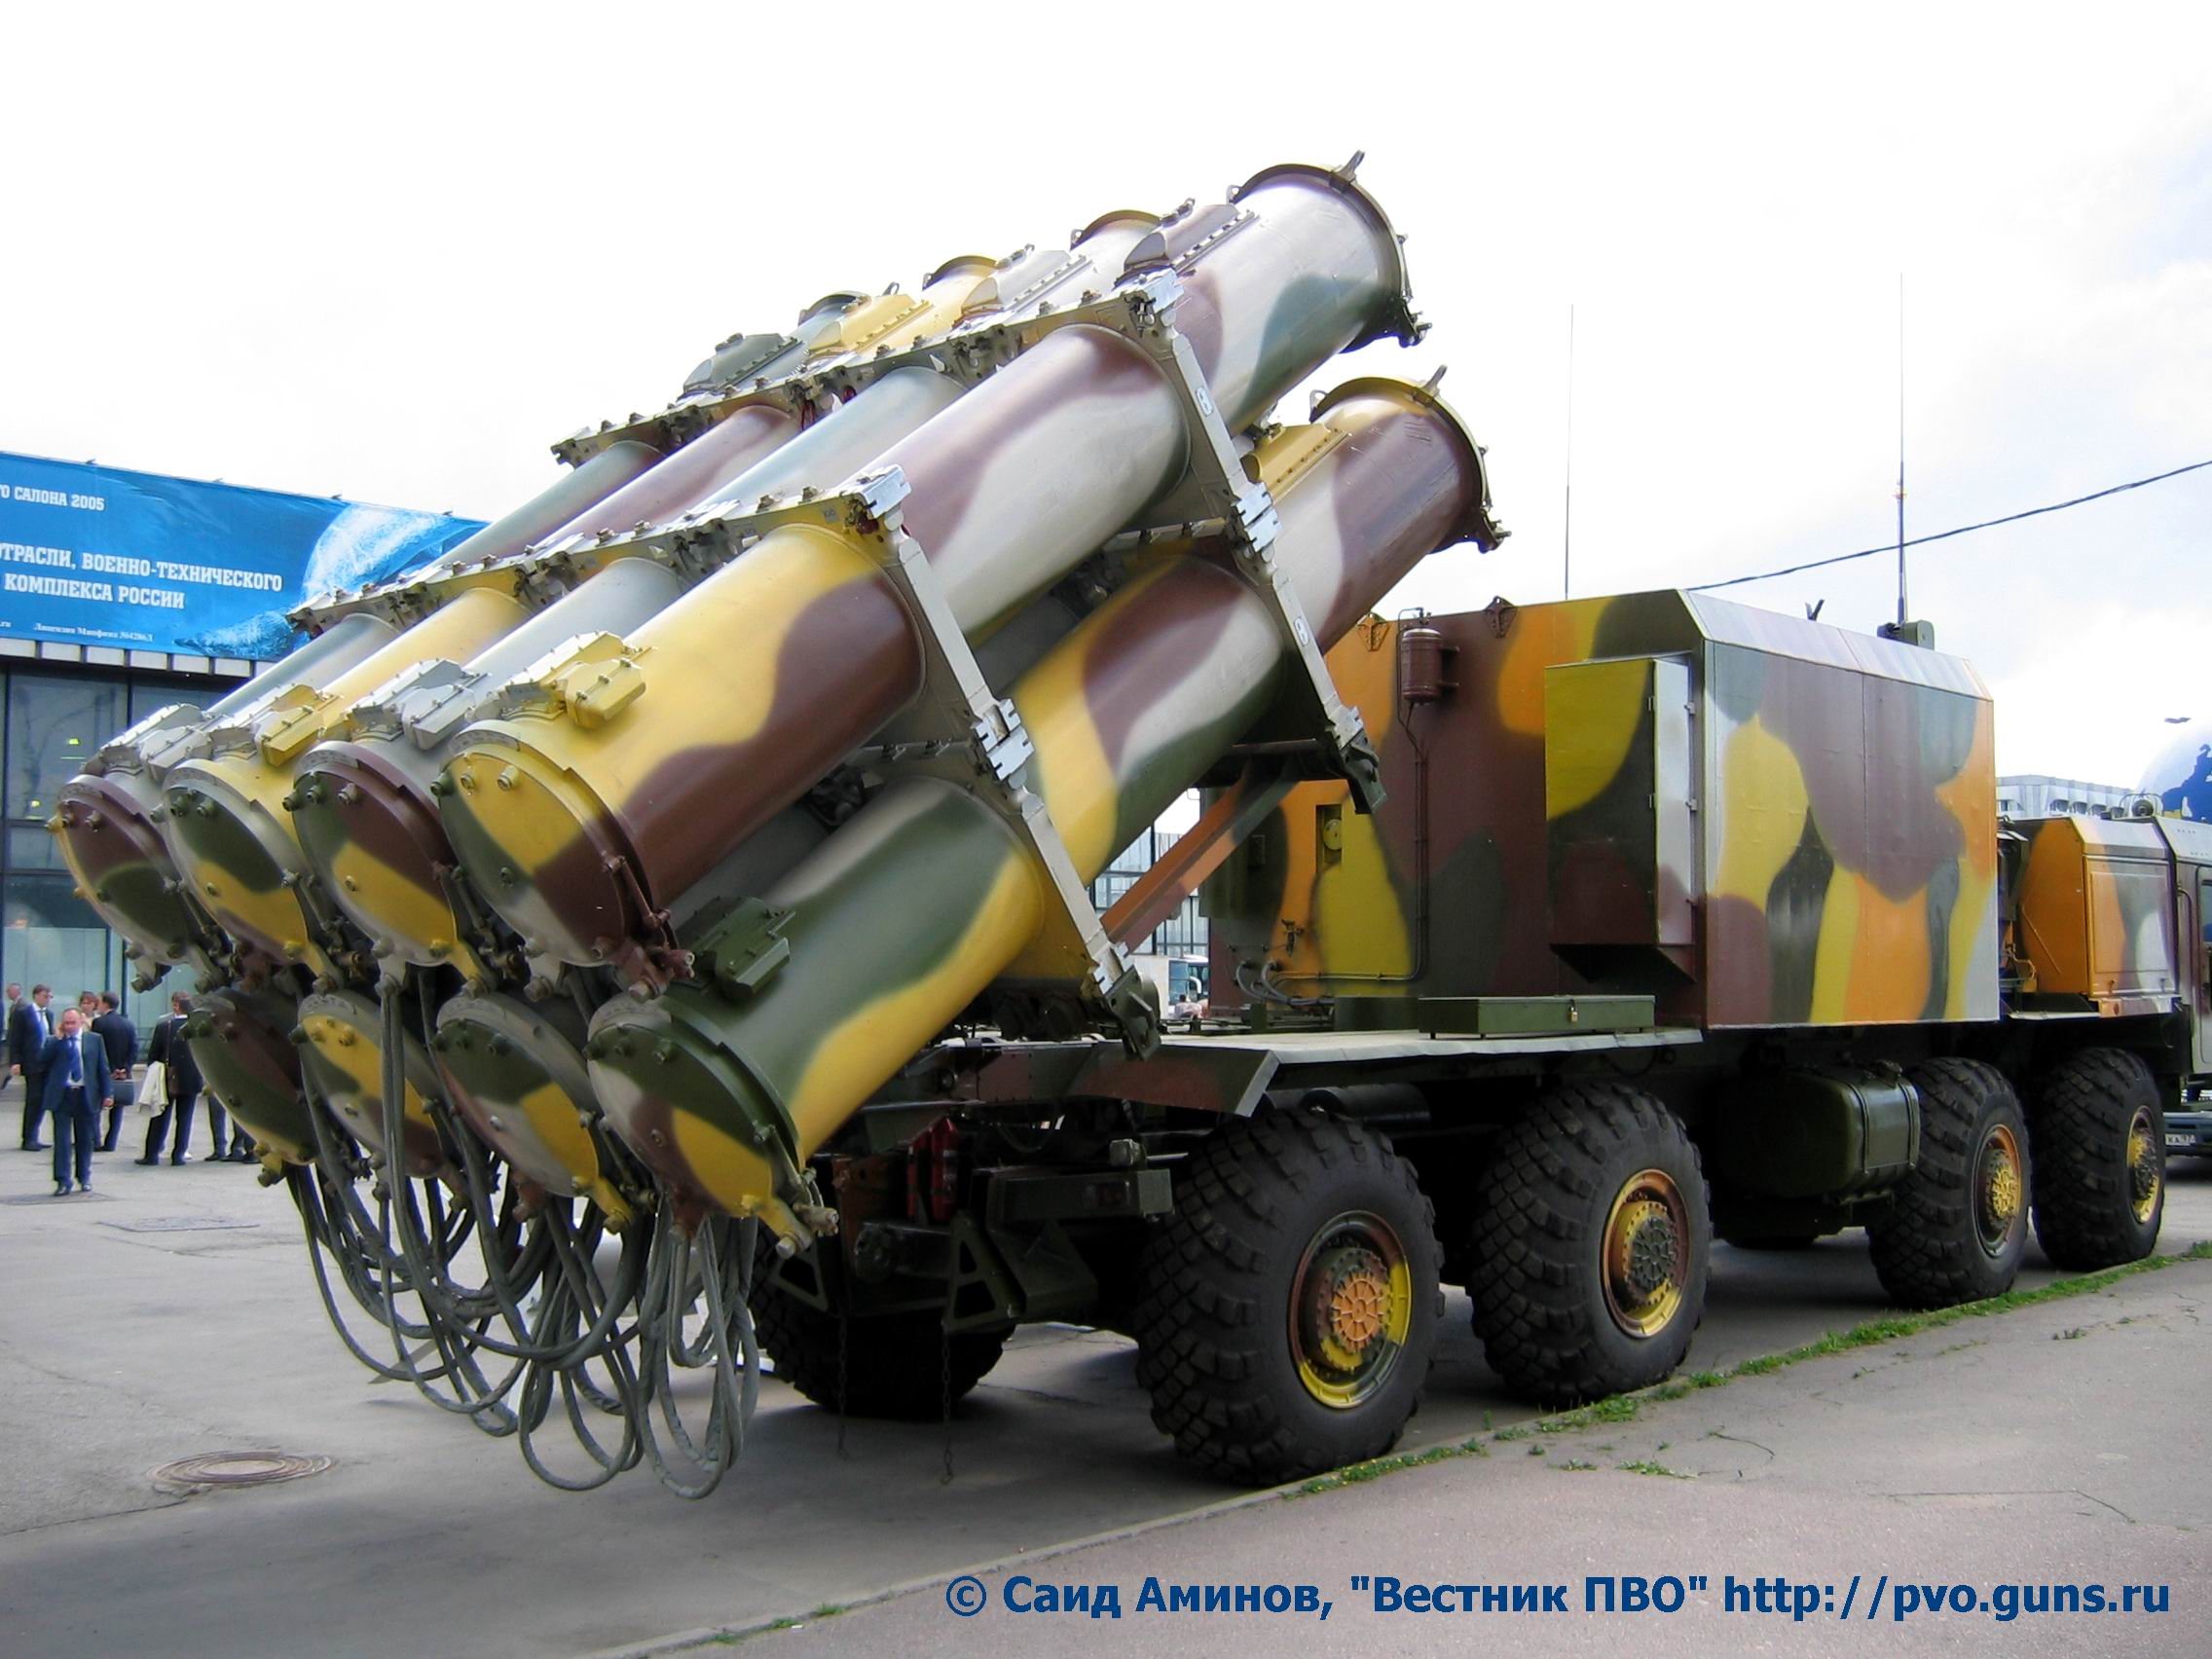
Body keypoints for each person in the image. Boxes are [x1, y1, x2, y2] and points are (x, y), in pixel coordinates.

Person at [40, 1007, 112, 1196]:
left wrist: (107, 1094)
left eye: (73, 1023)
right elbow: (41, 1061)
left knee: (85, 1140)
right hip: (62, 1095)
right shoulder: (56, 1041)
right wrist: (57, 1039)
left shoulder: (94, 1040)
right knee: (62, 1141)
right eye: (66, 1023)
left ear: (81, 1022)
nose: (69, 1026)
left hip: (85, 1095)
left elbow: (102, 1068)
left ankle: (84, 1177)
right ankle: (63, 1180)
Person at [137, 994, 204, 1166]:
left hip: (167, 1076)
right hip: (192, 1077)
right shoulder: (199, 1027)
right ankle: (179, 1154)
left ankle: (152, 1154)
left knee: (160, 1115)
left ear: (177, 1006)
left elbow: (153, 1054)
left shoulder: (165, 1027)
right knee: (185, 1118)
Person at [90, 991, 137, 1154]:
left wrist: (108, 1069)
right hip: (121, 1072)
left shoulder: (99, 1023)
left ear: (105, 1004)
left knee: (96, 1106)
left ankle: (95, 1140)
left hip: (103, 1071)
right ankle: (111, 1142)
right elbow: (133, 1048)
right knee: (117, 1109)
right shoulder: (128, 1024)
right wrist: (125, 1068)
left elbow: (97, 1048)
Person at [11, 984, 56, 1150]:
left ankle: (35, 1136)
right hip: (32, 1063)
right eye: (45, 996)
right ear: (36, 995)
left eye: (50, 997)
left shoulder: (49, 1014)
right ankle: (28, 1137)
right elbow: (15, 1038)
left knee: (43, 1100)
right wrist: (16, 1061)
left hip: (47, 1063)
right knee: (34, 1100)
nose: (48, 999)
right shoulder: (23, 1013)